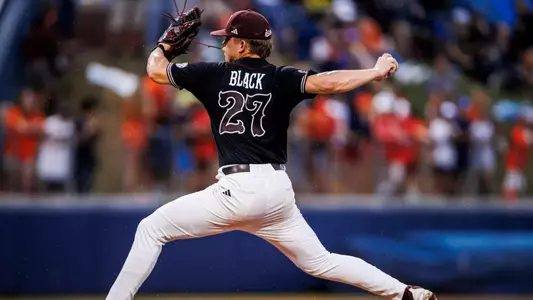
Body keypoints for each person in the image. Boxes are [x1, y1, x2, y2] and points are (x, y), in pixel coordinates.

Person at [106, 9, 437, 300]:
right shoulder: (281, 77)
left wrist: (165, 45)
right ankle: (405, 293)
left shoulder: (212, 73)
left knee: (151, 229)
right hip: (277, 191)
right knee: (322, 261)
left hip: (236, 190)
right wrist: (374, 72)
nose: (223, 44)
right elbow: (330, 82)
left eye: (227, 39)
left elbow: (155, 70)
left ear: (242, 44)